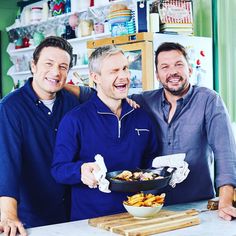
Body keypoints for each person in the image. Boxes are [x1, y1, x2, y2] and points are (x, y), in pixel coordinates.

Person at [65, 42, 236, 221]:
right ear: (157, 74)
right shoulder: (144, 100)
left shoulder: (208, 100)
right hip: (152, 206)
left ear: (190, 69)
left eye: (179, 64)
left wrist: (225, 202)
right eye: (165, 67)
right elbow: (103, 93)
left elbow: (226, 155)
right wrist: (58, 83)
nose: (173, 72)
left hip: (197, 203)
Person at [51, 45, 159, 221]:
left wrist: (165, 167)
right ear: (96, 77)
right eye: (114, 71)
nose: (123, 76)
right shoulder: (74, 120)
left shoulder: (142, 117)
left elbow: (150, 161)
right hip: (89, 222)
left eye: (125, 68)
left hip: (137, 217)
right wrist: (80, 171)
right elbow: (58, 170)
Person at [0, 36, 92, 235]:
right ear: (33, 66)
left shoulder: (72, 103)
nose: (55, 72)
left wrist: (128, 100)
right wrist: (8, 214)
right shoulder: (10, 108)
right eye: (48, 64)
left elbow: (100, 94)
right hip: (30, 217)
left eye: (63, 66)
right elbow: (7, 164)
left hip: (72, 212)